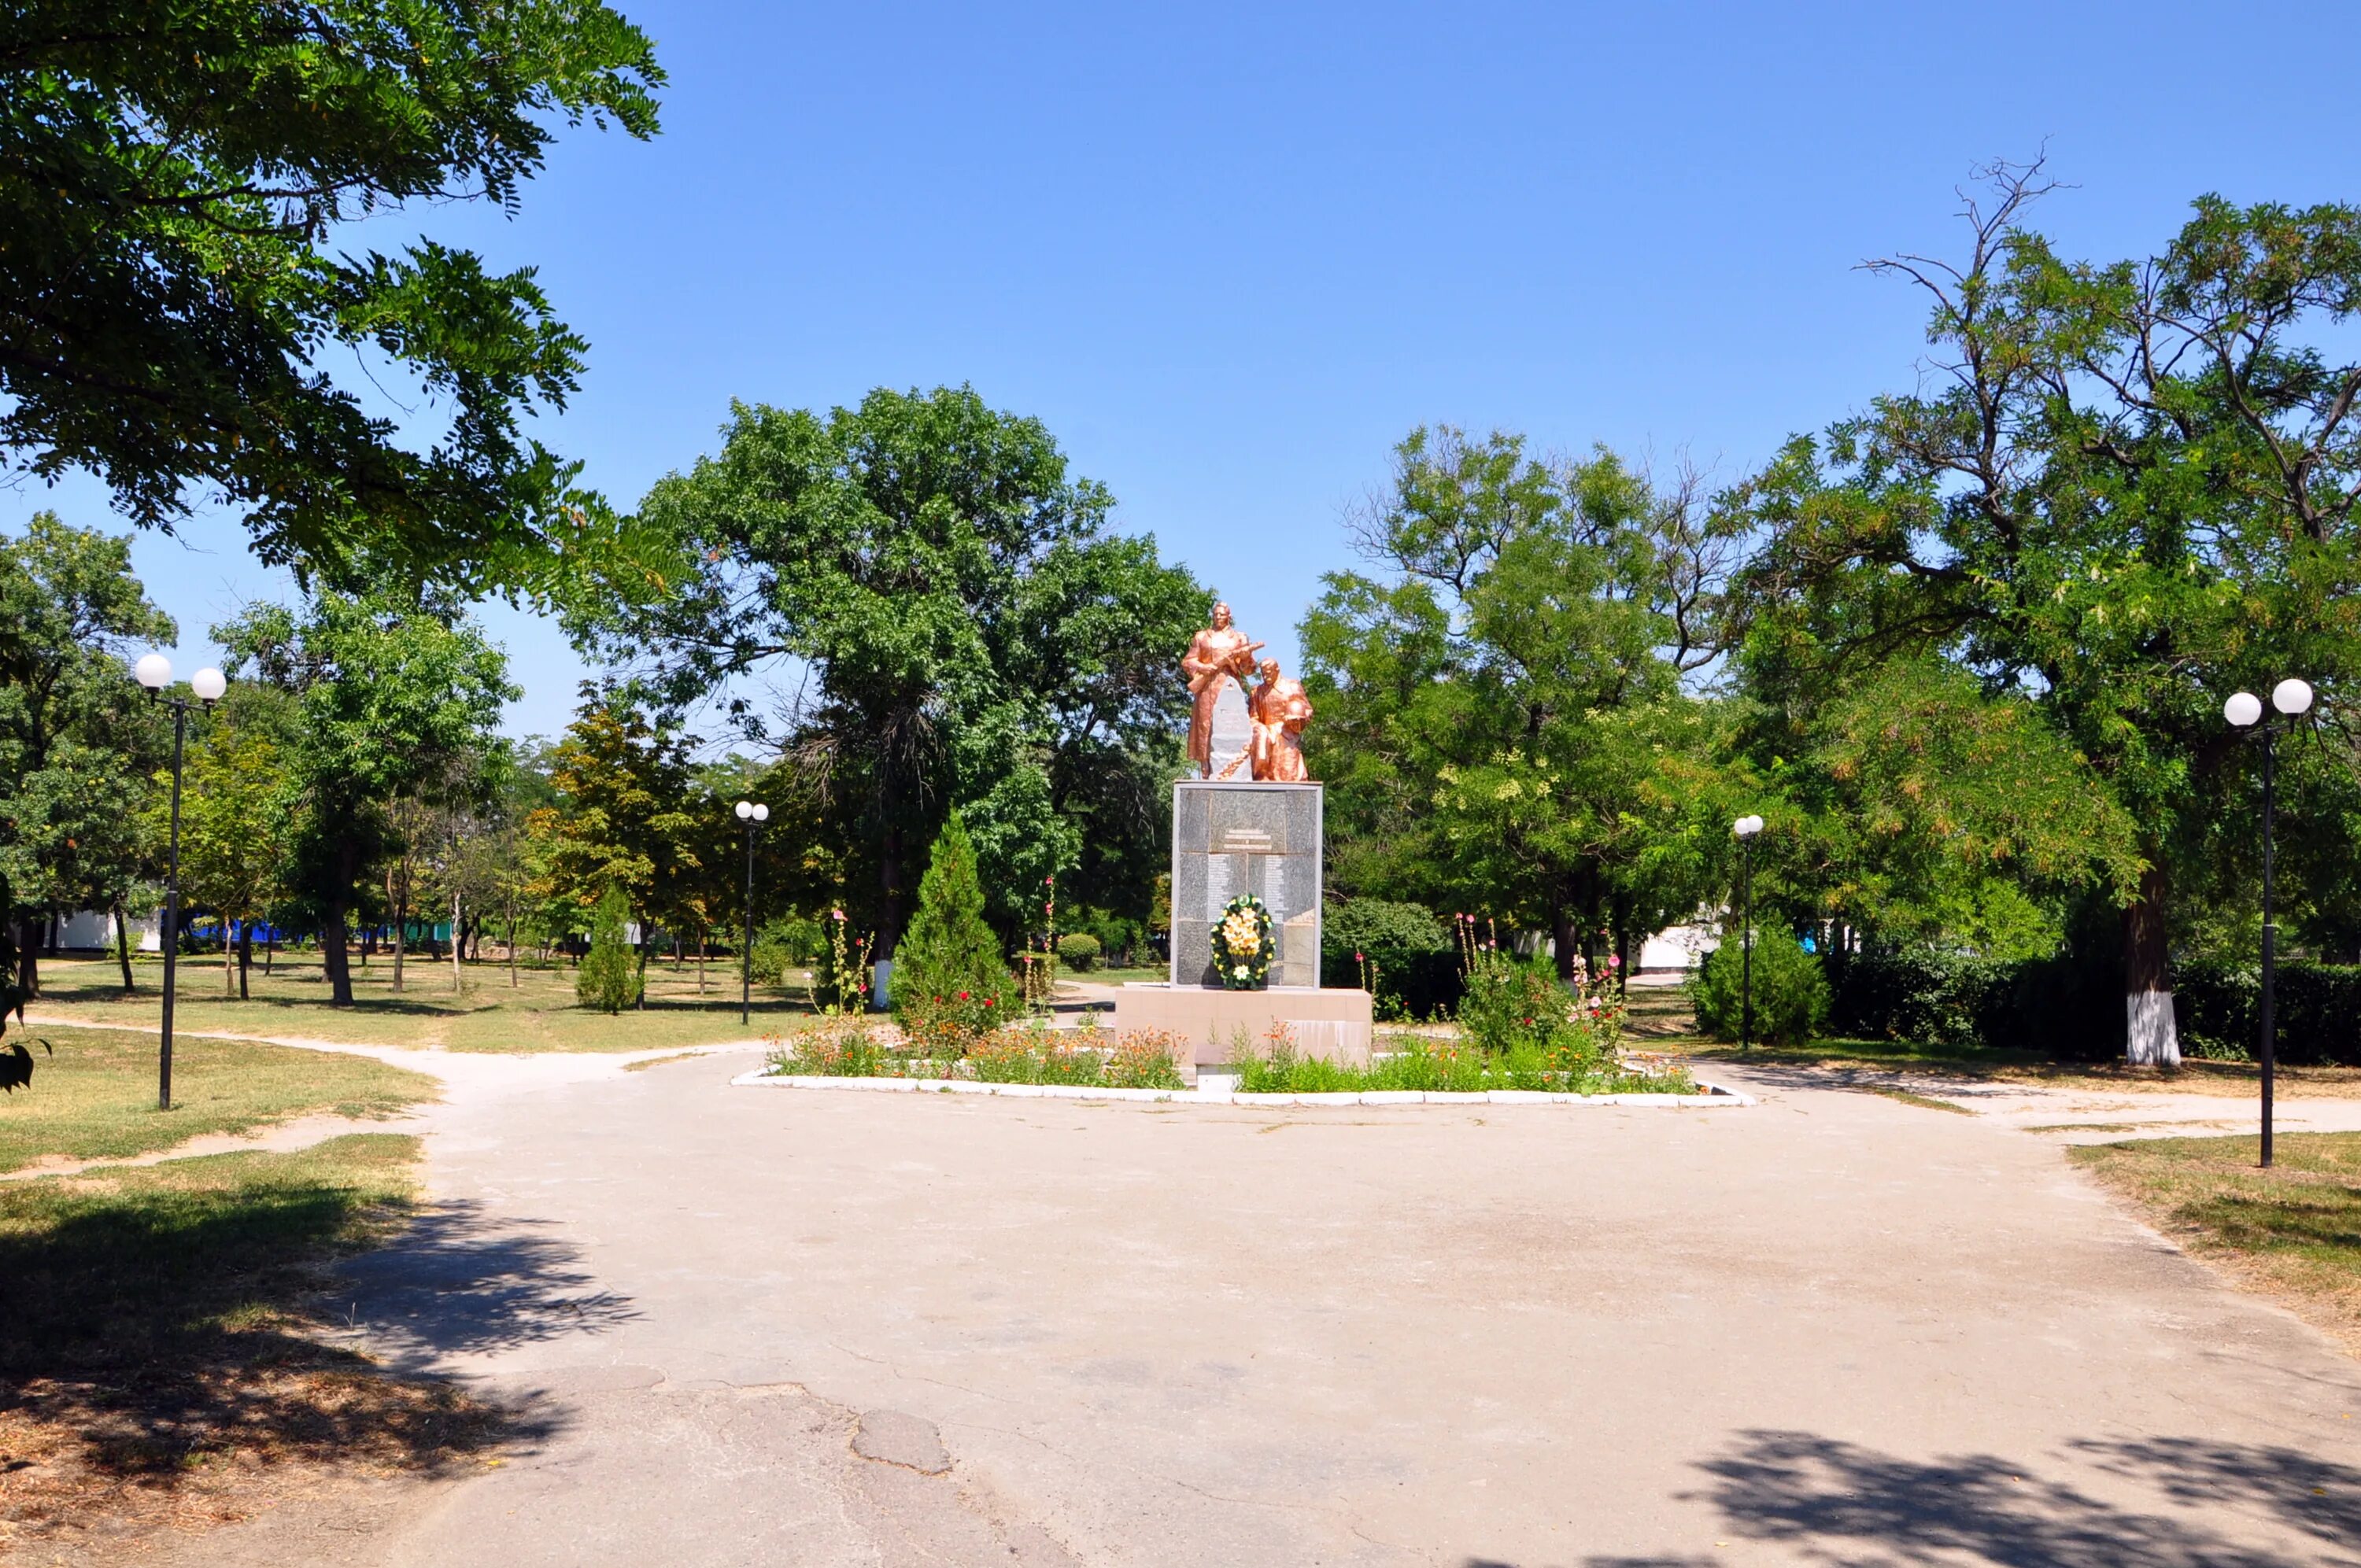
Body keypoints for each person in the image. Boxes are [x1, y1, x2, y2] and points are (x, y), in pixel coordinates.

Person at [1180, 603, 1262, 778]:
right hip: (1208, 687)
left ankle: (1236, 765)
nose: (1218, 618)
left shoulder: (1239, 638)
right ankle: (1206, 767)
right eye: (1216, 614)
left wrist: (1246, 656)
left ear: (1229, 616)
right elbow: (1188, 662)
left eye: (1222, 615)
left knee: (1233, 727)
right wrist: (1204, 667)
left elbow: (1248, 670)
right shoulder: (1202, 637)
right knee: (1205, 726)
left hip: (1231, 687)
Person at [1248, 657, 1314, 783]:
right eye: (1263, 674)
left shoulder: (1292, 686)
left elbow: (1307, 710)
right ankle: (1262, 775)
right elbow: (1253, 717)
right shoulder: (1257, 692)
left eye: (1268, 673)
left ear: (1277, 670)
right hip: (1266, 731)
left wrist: (1298, 718)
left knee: (1289, 773)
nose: (1266, 677)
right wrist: (1261, 728)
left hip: (1287, 731)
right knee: (1261, 736)